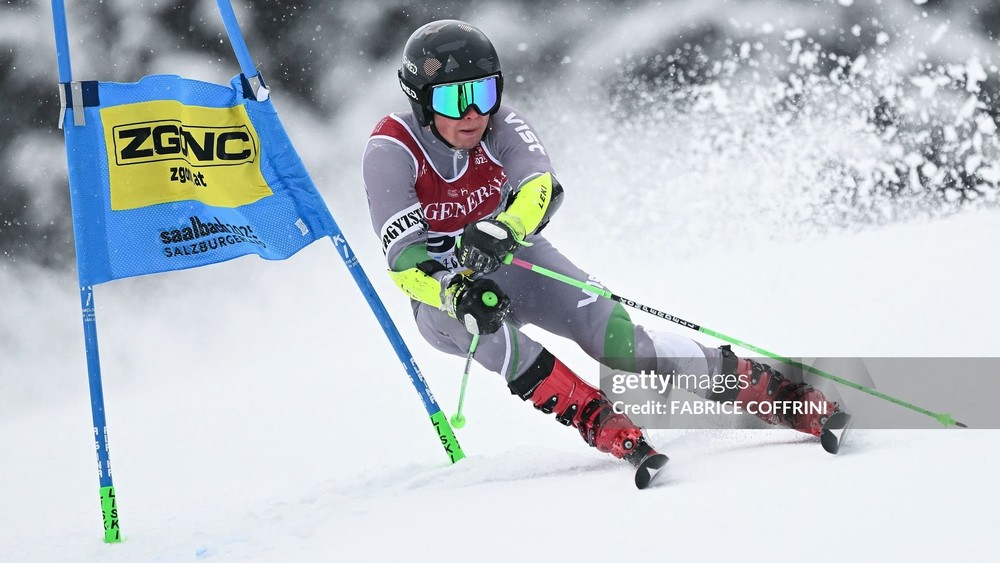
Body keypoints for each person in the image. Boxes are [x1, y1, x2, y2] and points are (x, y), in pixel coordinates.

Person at [362, 19, 841, 468]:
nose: (471, 113)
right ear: (421, 102)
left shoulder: (502, 125)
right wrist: (453, 291)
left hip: (515, 261)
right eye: (453, 99)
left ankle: (777, 395)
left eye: (483, 92)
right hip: (440, 296)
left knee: (621, 344)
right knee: (487, 332)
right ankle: (596, 419)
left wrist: (507, 228)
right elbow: (404, 262)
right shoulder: (391, 149)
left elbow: (541, 187)